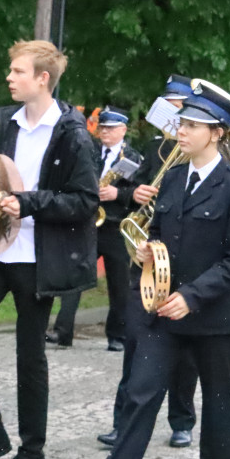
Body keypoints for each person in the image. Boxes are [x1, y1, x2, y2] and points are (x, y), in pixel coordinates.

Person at [76, 79, 230, 459]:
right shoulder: (173, 177)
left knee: (218, 408)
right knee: (139, 396)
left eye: (193, 125)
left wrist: (192, 297)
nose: (182, 130)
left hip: (214, 320)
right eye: (182, 122)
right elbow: (162, 234)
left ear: (216, 133)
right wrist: (148, 252)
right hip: (162, 312)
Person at [0, 40, 98, 459]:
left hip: (38, 258)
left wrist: (28, 203)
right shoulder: (6, 122)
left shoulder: (73, 133)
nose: (10, 78)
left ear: (42, 79)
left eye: (18, 72)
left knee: (29, 355)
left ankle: (32, 455)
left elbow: (85, 201)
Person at [96, 76, 199, 450]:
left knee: (184, 350)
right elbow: (128, 191)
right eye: (168, 104)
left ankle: (182, 420)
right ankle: (123, 420)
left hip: (186, 260)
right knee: (136, 340)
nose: (172, 112)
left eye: (178, 105)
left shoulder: (203, 151)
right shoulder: (153, 147)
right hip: (148, 256)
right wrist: (132, 193)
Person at [46, 105, 141, 349]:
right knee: (74, 277)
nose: (105, 132)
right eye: (102, 128)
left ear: (123, 130)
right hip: (87, 221)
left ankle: (117, 336)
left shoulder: (135, 159)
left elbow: (141, 193)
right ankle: (62, 332)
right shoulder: (89, 151)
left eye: (110, 128)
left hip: (116, 226)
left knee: (119, 283)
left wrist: (117, 193)